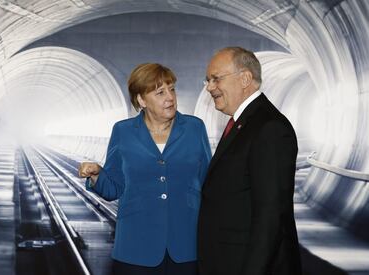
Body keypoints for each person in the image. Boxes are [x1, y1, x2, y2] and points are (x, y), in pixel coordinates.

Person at [79, 63, 211, 275]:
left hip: (186, 246)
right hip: (136, 247)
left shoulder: (195, 128)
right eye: (160, 92)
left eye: (172, 89)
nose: (170, 97)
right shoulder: (123, 131)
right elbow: (113, 188)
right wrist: (97, 175)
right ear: (141, 100)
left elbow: (208, 182)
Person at [198, 47, 302, 275]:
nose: (209, 87)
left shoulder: (269, 128)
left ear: (245, 78)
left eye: (216, 79)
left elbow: (270, 216)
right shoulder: (243, 123)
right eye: (207, 80)